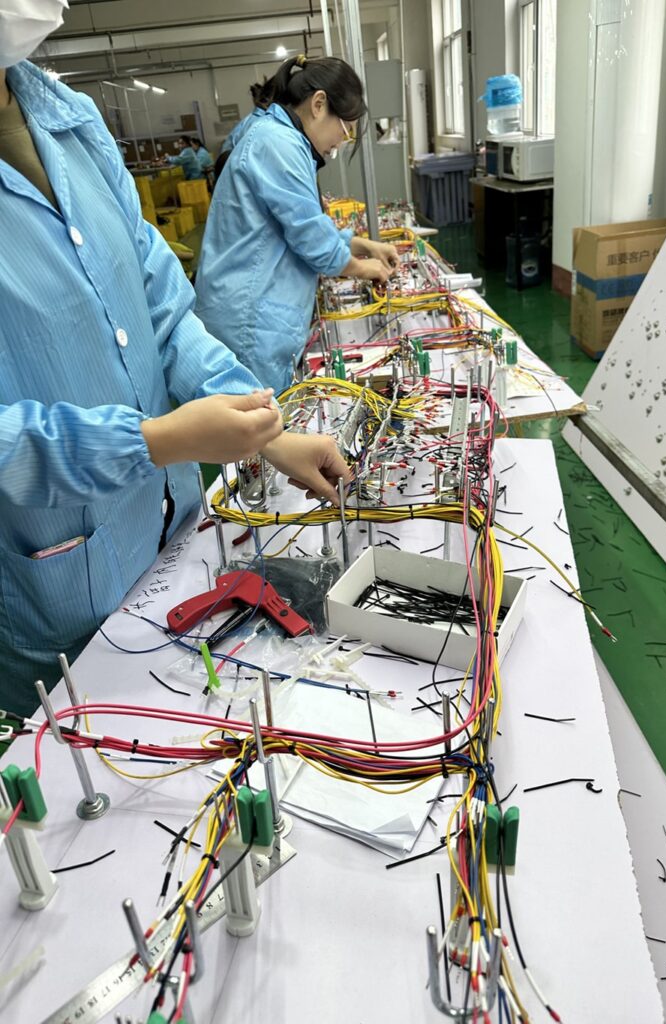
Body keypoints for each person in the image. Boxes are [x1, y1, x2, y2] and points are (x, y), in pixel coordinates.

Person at [0, 14, 352, 718]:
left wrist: (269, 436)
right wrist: (155, 442)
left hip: (178, 542)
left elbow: (160, 309)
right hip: (68, 590)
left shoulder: (66, 118)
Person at [195, 55, 401, 394]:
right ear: (319, 104)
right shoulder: (279, 144)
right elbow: (315, 244)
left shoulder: (269, 132)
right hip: (250, 323)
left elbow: (300, 224)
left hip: (247, 311)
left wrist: (365, 246)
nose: (341, 140)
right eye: (345, 127)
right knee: (258, 434)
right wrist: (369, 270)